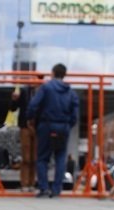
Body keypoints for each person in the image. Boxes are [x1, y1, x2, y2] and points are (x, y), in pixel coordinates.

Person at [26, 63, 79, 198]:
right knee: (60, 157)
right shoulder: (70, 92)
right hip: (63, 126)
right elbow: (75, 114)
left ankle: (44, 188)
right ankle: (56, 189)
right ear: (64, 75)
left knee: (42, 158)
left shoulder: (46, 88)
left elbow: (33, 105)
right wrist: (68, 125)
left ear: (53, 73)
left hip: (47, 125)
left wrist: (30, 117)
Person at [9, 86, 37, 192]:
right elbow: (13, 108)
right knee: (26, 157)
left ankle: (32, 183)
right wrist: (14, 100)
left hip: (38, 126)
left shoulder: (43, 90)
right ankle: (25, 183)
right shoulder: (23, 91)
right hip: (25, 125)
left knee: (35, 157)